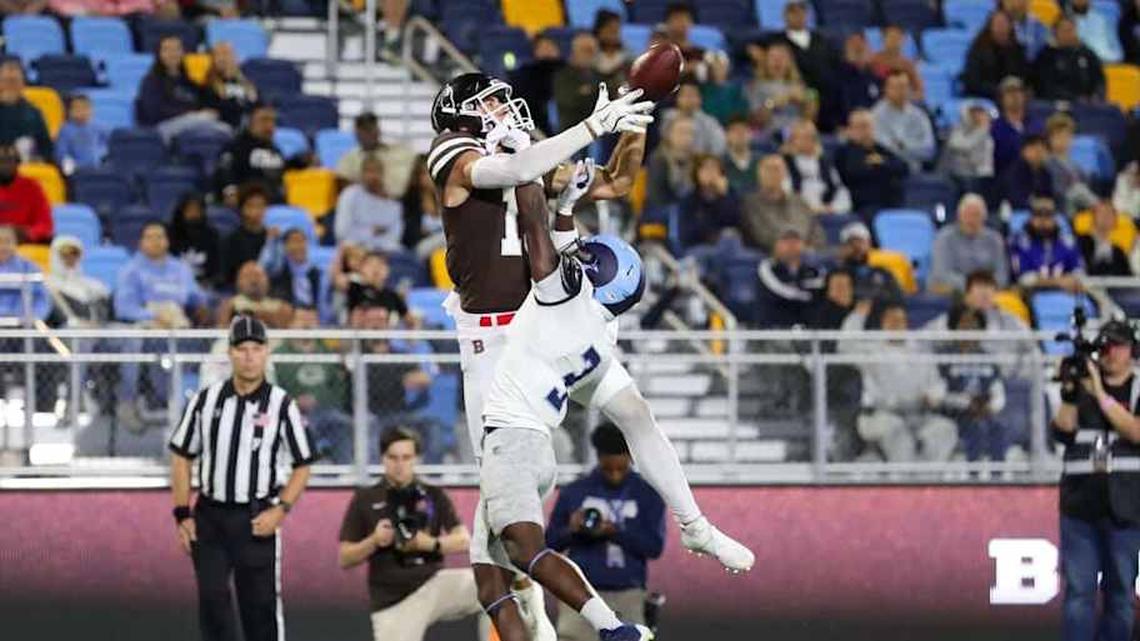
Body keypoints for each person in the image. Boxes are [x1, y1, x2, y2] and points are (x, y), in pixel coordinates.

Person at [471, 170, 752, 641]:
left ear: (595, 276)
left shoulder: (564, 298)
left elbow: (535, 227)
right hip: (541, 436)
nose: (579, 254)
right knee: (489, 579)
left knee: (527, 553)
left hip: (513, 441)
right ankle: (695, 524)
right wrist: (567, 208)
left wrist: (525, 167)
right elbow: (564, 250)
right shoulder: (603, 328)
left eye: (589, 257)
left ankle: (614, 628)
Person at [427, 71, 656, 639]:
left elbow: (618, 182)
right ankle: (585, 628)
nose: (507, 108)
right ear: (462, 114)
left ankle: (601, 628)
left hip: (531, 345)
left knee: (508, 541)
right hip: (490, 347)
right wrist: (591, 127)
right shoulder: (454, 152)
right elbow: (513, 170)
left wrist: (635, 117)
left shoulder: (527, 160)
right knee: (495, 555)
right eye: (492, 102)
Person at [169, 314, 315, 641]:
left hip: (256, 516)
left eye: (256, 349)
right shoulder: (205, 401)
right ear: (230, 353)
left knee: (260, 608)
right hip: (211, 516)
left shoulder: (282, 405)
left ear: (266, 353)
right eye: (242, 349)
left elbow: (303, 463)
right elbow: (181, 455)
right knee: (213, 602)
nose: (249, 356)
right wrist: (181, 513)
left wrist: (281, 510)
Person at [337, 426, 484, 641]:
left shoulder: (433, 494)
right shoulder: (366, 498)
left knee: (500, 585)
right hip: (394, 599)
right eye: (393, 458)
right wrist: (374, 541)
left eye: (406, 458)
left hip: (434, 583)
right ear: (383, 458)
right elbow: (344, 557)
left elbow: (463, 540)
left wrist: (429, 543)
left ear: (417, 459)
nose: (400, 465)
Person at [1051, 320, 1140, 641]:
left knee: (1120, 595)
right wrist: (1070, 393)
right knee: (1079, 593)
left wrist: (1100, 394)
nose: (1109, 353)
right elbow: (1063, 431)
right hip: (1080, 506)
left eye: (1117, 346)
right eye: (1105, 346)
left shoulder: (1137, 388)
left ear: (1132, 351)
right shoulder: (1083, 385)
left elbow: (1135, 432)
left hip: (1126, 508)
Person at [546, 424, 666, 641]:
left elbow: (654, 547)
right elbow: (550, 543)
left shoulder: (648, 494)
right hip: (580, 593)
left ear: (631, 457)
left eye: (620, 468)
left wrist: (615, 531)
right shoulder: (575, 491)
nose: (615, 475)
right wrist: (572, 530)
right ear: (599, 457)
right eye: (609, 469)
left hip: (628, 593)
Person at [840, 300, 957, 462]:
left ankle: (928, 475)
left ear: (906, 324)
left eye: (900, 321)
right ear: (883, 323)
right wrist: (857, 317)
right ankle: (903, 476)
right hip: (880, 415)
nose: (896, 325)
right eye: (891, 321)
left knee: (944, 429)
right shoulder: (870, 351)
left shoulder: (920, 352)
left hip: (918, 415)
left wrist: (934, 395)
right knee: (897, 431)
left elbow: (936, 383)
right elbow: (845, 348)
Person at [936, 306, 1008, 463]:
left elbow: (998, 390)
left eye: (974, 324)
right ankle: (973, 474)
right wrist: (966, 403)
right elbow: (938, 393)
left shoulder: (988, 358)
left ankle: (998, 473)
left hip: (984, 412)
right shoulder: (943, 357)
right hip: (955, 415)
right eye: (964, 324)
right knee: (976, 428)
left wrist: (990, 407)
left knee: (999, 427)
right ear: (954, 327)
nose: (969, 329)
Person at [135, 35, 230, 143]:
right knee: (207, 118)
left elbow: (202, 99)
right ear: (159, 53)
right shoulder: (151, 81)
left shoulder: (186, 80)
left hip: (192, 123)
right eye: (167, 49)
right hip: (163, 127)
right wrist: (190, 114)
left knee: (225, 129)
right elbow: (154, 111)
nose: (173, 53)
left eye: (177, 49)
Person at [215, 103, 306, 205]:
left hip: (276, 205)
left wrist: (300, 163)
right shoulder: (236, 147)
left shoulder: (275, 149)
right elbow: (225, 172)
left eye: (273, 121)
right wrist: (230, 191)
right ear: (249, 122)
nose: (269, 126)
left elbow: (281, 169)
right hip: (248, 206)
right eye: (264, 120)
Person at [741, 154, 825, 254]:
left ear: (784, 173)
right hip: (773, 254)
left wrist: (812, 248)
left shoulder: (799, 201)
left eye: (777, 169)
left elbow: (816, 230)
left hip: (806, 253)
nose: (773, 174)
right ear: (759, 174)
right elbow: (760, 234)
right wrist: (790, 246)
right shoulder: (751, 203)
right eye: (768, 169)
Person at [776, 0, 839, 131]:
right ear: (785, 16)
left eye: (801, 11)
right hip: (798, 98)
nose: (798, 15)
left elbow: (835, 65)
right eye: (793, 12)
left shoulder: (821, 40)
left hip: (827, 100)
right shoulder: (777, 40)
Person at [834, 109, 909, 219]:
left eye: (867, 126)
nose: (865, 131)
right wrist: (879, 166)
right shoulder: (844, 151)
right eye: (860, 127)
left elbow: (903, 167)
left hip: (891, 201)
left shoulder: (879, 149)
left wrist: (880, 163)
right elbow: (854, 172)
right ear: (851, 129)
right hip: (864, 204)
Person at [929, 194, 1010, 293]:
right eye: (967, 215)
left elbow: (1002, 275)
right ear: (959, 216)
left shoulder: (994, 239)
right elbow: (942, 274)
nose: (971, 220)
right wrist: (973, 288)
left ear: (984, 217)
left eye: (976, 215)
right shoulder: (944, 238)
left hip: (989, 293)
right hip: (953, 292)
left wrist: (985, 288)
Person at [1009, 197, 1084, 292]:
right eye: (1038, 215)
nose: (1043, 221)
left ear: (1056, 218)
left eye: (1048, 215)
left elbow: (1079, 272)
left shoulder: (1068, 243)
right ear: (1030, 218)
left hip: (1066, 293)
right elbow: (1024, 279)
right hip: (1031, 295)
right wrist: (1057, 282)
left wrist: (1070, 280)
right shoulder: (1019, 243)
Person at [755, 226, 826, 328]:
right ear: (776, 245)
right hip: (775, 329)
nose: (791, 245)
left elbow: (819, 295)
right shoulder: (766, 267)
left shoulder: (814, 270)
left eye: (795, 240)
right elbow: (780, 294)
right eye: (786, 240)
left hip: (806, 329)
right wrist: (806, 294)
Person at [745, 42, 814, 143]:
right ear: (765, 61)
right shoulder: (755, 86)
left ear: (789, 62)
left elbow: (810, 118)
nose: (778, 62)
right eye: (773, 58)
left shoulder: (799, 85)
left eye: (782, 57)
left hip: (799, 133)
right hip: (771, 134)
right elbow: (755, 121)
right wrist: (772, 103)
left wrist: (807, 102)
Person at [336, 112, 416, 198]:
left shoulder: (399, 152)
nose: (368, 134)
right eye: (364, 130)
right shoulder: (349, 159)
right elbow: (345, 188)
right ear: (356, 133)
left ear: (378, 130)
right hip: (367, 201)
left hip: (402, 200)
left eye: (371, 129)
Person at [334, 155, 404, 252]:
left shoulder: (394, 204)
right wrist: (371, 231)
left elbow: (395, 236)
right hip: (355, 249)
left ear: (382, 174)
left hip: (386, 250)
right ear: (361, 174)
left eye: (377, 171)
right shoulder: (350, 195)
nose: (373, 176)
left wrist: (376, 238)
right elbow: (341, 232)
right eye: (369, 171)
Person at [781, 119, 852, 215]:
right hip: (797, 213)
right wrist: (808, 208)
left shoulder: (825, 163)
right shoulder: (785, 162)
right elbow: (784, 191)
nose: (808, 141)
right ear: (793, 140)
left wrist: (832, 208)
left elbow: (840, 190)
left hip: (825, 211)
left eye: (811, 137)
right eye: (803, 137)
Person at [261, 227, 330, 322]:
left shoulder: (317, 273)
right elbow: (263, 267)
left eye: (302, 241)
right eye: (294, 241)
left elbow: (322, 303)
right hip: (287, 319)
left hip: (313, 320)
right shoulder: (278, 271)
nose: (299, 246)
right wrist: (271, 242)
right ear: (284, 246)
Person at [870, 70, 935, 172]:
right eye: (896, 87)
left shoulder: (919, 116)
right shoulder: (875, 115)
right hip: (886, 171)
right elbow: (883, 150)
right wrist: (912, 147)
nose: (901, 91)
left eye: (904, 87)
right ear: (886, 89)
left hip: (916, 170)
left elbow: (929, 150)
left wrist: (902, 146)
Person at [1033, 15, 1106, 102]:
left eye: (1070, 30)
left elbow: (1099, 79)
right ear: (1055, 32)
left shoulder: (1086, 53)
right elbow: (1046, 87)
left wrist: (1096, 96)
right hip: (1057, 104)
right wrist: (1074, 99)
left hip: (1087, 104)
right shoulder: (1046, 56)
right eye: (1064, 30)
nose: (1067, 34)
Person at [961, 11, 1029, 100]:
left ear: (1010, 26)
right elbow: (973, 82)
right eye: (997, 24)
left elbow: (1024, 77)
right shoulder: (978, 50)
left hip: (1013, 96)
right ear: (990, 27)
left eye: (1004, 24)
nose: (1001, 28)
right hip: (984, 97)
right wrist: (998, 90)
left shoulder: (1018, 50)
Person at [677, 154, 739, 250]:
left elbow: (735, 221)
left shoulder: (730, 194)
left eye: (714, 169)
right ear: (697, 173)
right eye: (706, 169)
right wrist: (716, 234)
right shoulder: (689, 199)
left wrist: (724, 197)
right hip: (700, 247)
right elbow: (687, 235)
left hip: (730, 246)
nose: (711, 173)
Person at [45, 235, 109, 327]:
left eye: (75, 254)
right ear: (55, 256)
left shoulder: (93, 285)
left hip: (97, 330)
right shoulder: (48, 284)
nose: (71, 258)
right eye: (65, 255)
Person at [509, 34, 564, 137]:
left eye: (551, 46)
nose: (548, 50)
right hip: (539, 129)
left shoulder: (569, 71)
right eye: (543, 47)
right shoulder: (526, 75)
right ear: (535, 52)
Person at [835, 221, 903, 304]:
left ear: (869, 243)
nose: (857, 247)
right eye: (851, 243)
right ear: (844, 247)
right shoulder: (838, 274)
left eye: (860, 241)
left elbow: (897, 299)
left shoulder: (882, 272)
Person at [218, 183, 271, 288]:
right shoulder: (231, 240)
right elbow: (226, 276)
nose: (256, 211)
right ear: (242, 208)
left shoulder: (272, 238)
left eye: (260, 206)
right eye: (251, 206)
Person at [1045, 113, 1099, 214]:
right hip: (1061, 207)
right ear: (1049, 139)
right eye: (1058, 136)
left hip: (1080, 205)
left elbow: (1086, 185)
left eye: (1067, 136)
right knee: (1077, 190)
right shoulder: (1047, 163)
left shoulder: (1075, 165)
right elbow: (1055, 190)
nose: (1063, 140)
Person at [990, 76, 1043, 178]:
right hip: (1005, 180)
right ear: (1001, 98)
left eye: (1019, 91)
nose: (1015, 96)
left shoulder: (1037, 125)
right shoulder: (994, 128)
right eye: (1009, 92)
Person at [0, 59, 52, 161]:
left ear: (22, 84)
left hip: (25, 162)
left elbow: (46, 148)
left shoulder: (34, 113)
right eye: (6, 81)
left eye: (14, 81)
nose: (10, 86)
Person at [218, 261, 294, 328]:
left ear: (267, 280)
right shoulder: (229, 305)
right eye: (248, 276)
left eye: (258, 275)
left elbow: (287, 330)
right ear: (238, 282)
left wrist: (258, 315)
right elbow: (222, 330)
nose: (254, 280)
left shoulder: (282, 307)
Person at [0, 143, 52, 242]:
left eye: (10, 161)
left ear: (18, 163)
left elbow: (45, 224)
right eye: (1, 161)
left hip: (24, 241)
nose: (5, 165)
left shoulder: (33, 187)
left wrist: (28, 233)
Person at [554, 32, 603, 135]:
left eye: (593, 51)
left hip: (598, 129)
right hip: (572, 131)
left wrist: (586, 92)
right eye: (586, 50)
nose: (590, 55)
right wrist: (589, 93)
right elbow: (569, 102)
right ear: (574, 52)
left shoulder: (598, 75)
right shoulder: (563, 76)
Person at [941, 101, 995, 194]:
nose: (977, 116)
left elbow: (985, 161)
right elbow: (958, 145)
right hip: (960, 176)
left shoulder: (988, 134)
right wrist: (981, 129)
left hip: (982, 177)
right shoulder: (958, 130)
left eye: (980, 112)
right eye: (973, 112)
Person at [201, 42, 258, 129]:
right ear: (213, 59)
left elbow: (258, 105)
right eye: (219, 54)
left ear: (236, 57)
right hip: (222, 128)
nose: (224, 58)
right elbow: (214, 110)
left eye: (227, 53)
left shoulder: (248, 84)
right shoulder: (208, 85)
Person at [660, 81, 726, 156]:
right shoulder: (666, 117)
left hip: (700, 159)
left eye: (693, 95)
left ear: (700, 99)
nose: (689, 99)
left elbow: (719, 146)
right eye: (685, 95)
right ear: (677, 98)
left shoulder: (710, 122)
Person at [0, 224, 50, 322]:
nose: (3, 246)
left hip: (22, 324)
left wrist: (34, 318)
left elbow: (42, 299)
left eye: (7, 241)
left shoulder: (30, 268)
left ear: (16, 243)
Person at [168, 193, 220, 287]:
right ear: (181, 212)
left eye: (197, 210)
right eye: (189, 210)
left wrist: (208, 282)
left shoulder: (212, 235)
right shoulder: (170, 234)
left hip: (205, 285)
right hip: (175, 284)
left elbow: (218, 270)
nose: (194, 215)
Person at [645, 115, 696, 209]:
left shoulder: (697, 160)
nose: (687, 137)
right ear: (669, 134)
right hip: (661, 210)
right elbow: (657, 197)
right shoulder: (658, 160)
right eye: (681, 132)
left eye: (690, 133)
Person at [399, 155, 443, 256]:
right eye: (426, 173)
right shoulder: (410, 202)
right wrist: (421, 232)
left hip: (443, 250)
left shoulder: (446, 197)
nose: (431, 177)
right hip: (420, 247)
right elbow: (407, 235)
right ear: (417, 177)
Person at [998, 135, 1056, 210]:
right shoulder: (1014, 172)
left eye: (1042, 150)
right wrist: (1035, 204)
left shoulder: (1045, 173)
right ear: (1024, 151)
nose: (1039, 154)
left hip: (1040, 212)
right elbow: (1014, 199)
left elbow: (1050, 196)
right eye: (1035, 150)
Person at [55, 94, 109, 173]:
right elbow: (61, 153)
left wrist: (102, 156)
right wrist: (69, 166)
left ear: (92, 110)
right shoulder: (65, 130)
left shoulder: (99, 127)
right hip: (76, 170)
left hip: (98, 169)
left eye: (85, 108)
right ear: (70, 112)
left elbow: (109, 145)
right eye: (77, 108)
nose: (82, 112)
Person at [836, 32, 883, 121]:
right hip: (848, 124)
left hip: (873, 123)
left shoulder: (875, 77)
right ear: (846, 50)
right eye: (854, 47)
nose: (858, 49)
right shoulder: (837, 77)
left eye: (861, 48)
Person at [1078, 201, 1133, 276]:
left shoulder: (1118, 251)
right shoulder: (1080, 242)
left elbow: (1128, 278)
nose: (1106, 216)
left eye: (1110, 213)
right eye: (1102, 213)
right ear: (1093, 217)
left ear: (1115, 220)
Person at [346, 251, 408, 319]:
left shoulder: (392, 295)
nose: (375, 270)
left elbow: (410, 319)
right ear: (361, 268)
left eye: (379, 265)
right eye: (370, 265)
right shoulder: (353, 288)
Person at [869, 24, 923, 100]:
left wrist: (904, 97)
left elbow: (920, 92)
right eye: (891, 37)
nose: (894, 41)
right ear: (883, 38)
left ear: (904, 39)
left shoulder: (907, 65)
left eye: (897, 38)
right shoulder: (873, 60)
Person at [699, 50, 748, 125]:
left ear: (727, 67)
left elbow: (742, 110)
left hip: (731, 126)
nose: (718, 69)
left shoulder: (736, 89)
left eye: (721, 66)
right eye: (714, 66)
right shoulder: (703, 89)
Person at [722, 116, 758, 194]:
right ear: (727, 135)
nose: (740, 134)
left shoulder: (762, 161)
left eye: (744, 130)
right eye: (735, 131)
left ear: (751, 134)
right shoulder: (720, 163)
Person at [593, 9, 630, 86]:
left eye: (616, 30)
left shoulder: (627, 54)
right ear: (599, 30)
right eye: (610, 29)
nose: (614, 34)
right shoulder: (591, 52)